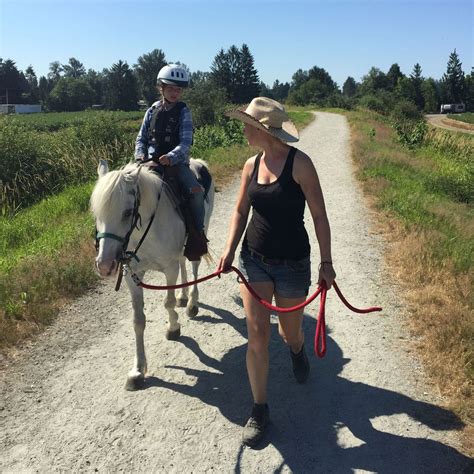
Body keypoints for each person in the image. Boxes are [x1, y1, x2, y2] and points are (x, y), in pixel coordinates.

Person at [218, 97, 336, 448]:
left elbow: (319, 216)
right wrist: (228, 250)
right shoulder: (250, 165)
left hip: (292, 264)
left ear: (262, 130)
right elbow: (240, 211)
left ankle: (298, 351)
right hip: (254, 259)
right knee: (257, 337)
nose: (242, 129)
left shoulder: (301, 165)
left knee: (290, 333)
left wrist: (326, 263)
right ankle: (259, 409)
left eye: (247, 124)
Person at [135, 63, 207, 259]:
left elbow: (185, 143)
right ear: (161, 88)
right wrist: (140, 155)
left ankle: (196, 236)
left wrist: (171, 157)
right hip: (149, 163)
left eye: (178, 89)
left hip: (176, 165)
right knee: (126, 190)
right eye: (171, 88)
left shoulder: (184, 111)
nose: (175, 93)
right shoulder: (151, 110)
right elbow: (141, 138)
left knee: (196, 192)